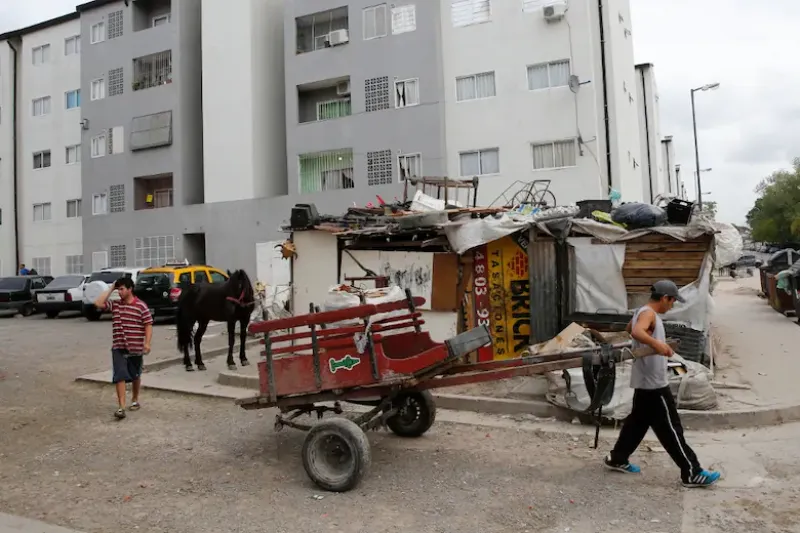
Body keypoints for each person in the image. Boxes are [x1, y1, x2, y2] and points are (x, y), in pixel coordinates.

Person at [604, 279, 720, 488]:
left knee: (636, 424)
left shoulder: (642, 311)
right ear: (665, 298)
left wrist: (656, 344)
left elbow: (631, 328)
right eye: (672, 301)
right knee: (671, 429)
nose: (672, 305)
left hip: (644, 381)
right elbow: (638, 331)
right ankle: (692, 473)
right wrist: (658, 344)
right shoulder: (649, 314)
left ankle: (618, 458)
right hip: (654, 385)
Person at [94, 277, 153, 420]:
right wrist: (111, 288)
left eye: (122, 289)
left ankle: (135, 399)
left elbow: (148, 324)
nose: (119, 292)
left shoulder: (141, 306)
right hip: (118, 347)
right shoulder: (115, 305)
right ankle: (121, 407)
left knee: (135, 375)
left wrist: (147, 343)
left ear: (130, 289)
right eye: (118, 289)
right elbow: (97, 303)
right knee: (120, 375)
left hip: (135, 347)